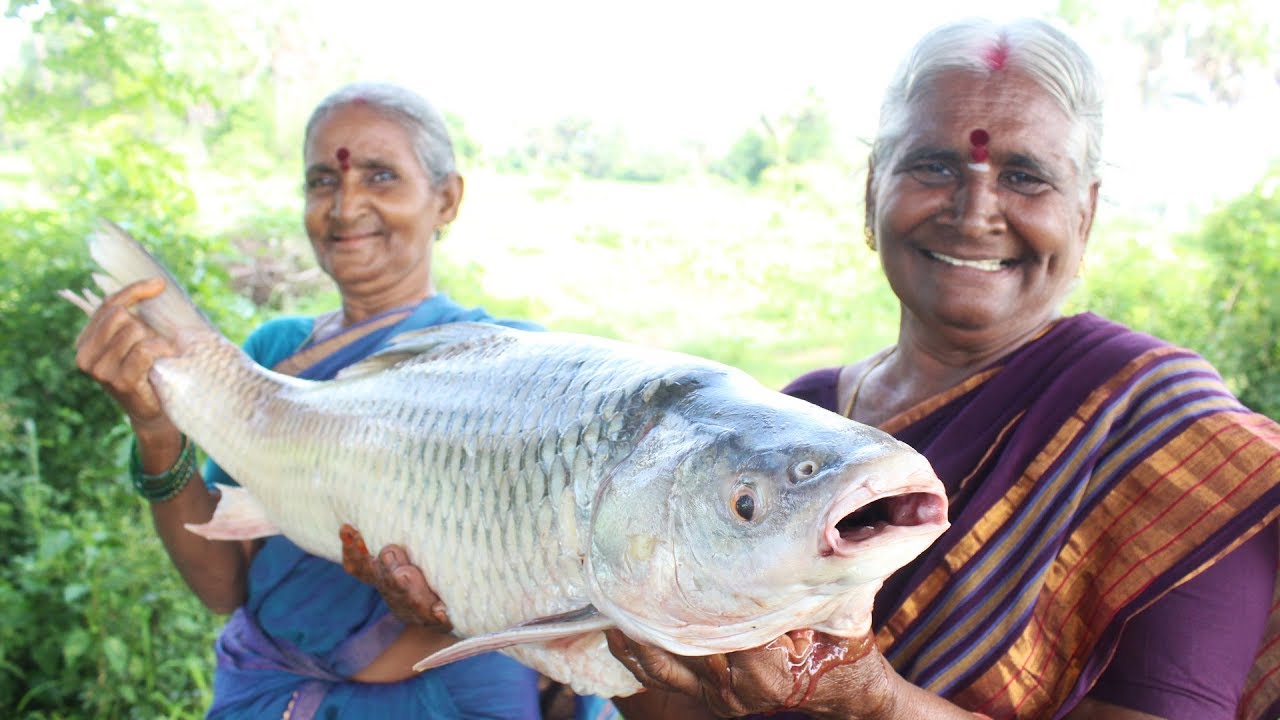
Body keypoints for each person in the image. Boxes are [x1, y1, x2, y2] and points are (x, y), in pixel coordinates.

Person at [349, 17, 1280, 720]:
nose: (976, 207)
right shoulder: (788, 431)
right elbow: (682, 702)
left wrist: (872, 698)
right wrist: (501, 603)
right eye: (932, 165)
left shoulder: (1175, 450)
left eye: (1026, 176)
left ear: (1086, 215)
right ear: (870, 195)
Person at [72, 81, 555, 718]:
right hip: (269, 693)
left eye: (380, 176)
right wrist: (158, 433)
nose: (346, 205)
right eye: (322, 181)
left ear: (446, 199)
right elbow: (224, 585)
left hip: (454, 699)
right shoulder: (275, 351)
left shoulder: (513, 364)